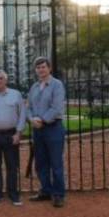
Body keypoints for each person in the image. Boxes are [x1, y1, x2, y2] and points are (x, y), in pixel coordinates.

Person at [27, 57, 66, 208]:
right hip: (38, 129)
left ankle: (58, 194)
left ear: (49, 68)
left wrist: (41, 120)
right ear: (35, 70)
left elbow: (56, 108)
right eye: (38, 68)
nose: (41, 70)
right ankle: (45, 191)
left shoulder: (57, 85)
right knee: (41, 163)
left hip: (53, 127)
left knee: (56, 163)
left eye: (43, 67)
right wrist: (31, 119)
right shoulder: (34, 87)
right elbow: (28, 107)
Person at [0, 69, 26, 206]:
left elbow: (22, 115)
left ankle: (13, 194)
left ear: (6, 80)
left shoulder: (16, 95)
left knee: (12, 166)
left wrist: (18, 133)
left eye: (1, 78)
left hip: (10, 134)